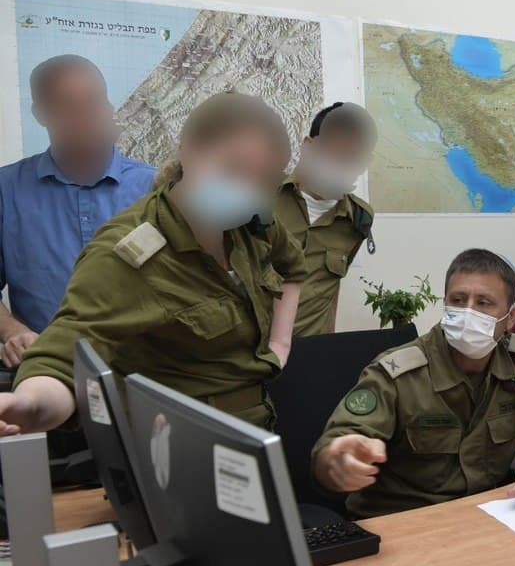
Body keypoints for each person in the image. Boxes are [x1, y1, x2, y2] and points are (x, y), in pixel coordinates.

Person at [0, 92, 303, 434]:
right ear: (190, 150)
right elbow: (66, 350)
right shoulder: (131, 252)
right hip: (178, 443)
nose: (247, 189)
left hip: (255, 430)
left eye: (264, 180)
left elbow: (293, 266)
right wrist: (31, 404)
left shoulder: (252, 223)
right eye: (233, 169)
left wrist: (280, 345)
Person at [313, 249, 515, 517]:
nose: (468, 312)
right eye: (458, 300)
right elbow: (339, 444)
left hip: (485, 515)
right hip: (401, 519)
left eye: (483, 303)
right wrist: (338, 462)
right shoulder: (398, 373)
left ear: (510, 317)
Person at [0, 55, 155, 367]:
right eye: (68, 105)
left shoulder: (154, 189)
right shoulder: (7, 189)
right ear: (40, 114)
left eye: (95, 101)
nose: (86, 115)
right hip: (46, 367)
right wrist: (13, 332)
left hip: (146, 369)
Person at [274, 102, 378, 337]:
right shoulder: (260, 199)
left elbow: (330, 288)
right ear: (309, 146)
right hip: (251, 352)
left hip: (310, 349)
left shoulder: (358, 218)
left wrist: (329, 346)